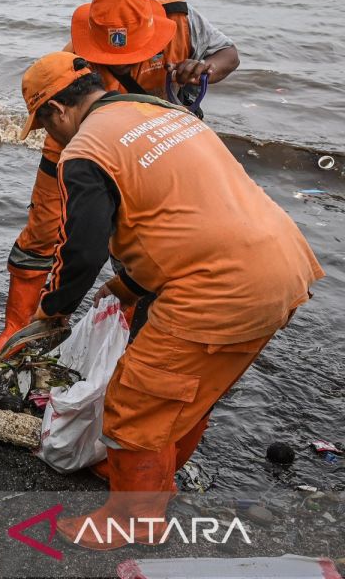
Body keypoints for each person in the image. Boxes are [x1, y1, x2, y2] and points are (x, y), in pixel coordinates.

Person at [16, 52, 322, 550]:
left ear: (56, 110)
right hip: (285, 268)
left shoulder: (86, 150)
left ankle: (135, 520)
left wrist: (52, 312)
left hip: (220, 289)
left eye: (45, 124)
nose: (52, 137)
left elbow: (80, 252)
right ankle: (149, 484)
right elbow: (183, 214)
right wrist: (131, 285)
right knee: (190, 393)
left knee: (133, 402)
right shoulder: (162, 112)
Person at [0, 0, 241, 362]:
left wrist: (204, 70)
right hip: (82, 135)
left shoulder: (181, 21)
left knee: (144, 238)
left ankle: (130, 337)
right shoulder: (71, 64)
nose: (126, 61)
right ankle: (18, 330)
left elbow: (229, 55)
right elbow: (61, 120)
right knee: (43, 230)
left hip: (157, 145)